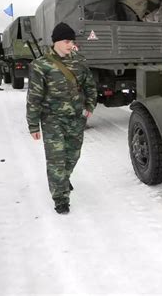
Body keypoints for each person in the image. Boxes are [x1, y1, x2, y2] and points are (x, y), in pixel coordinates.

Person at [26, 22, 97, 214]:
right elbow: (34, 97)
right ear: (56, 42)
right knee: (56, 160)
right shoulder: (41, 65)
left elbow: (90, 86)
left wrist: (90, 106)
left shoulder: (79, 62)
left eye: (71, 41)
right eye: (66, 41)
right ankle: (60, 198)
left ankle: (64, 178)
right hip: (52, 120)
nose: (70, 44)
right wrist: (33, 125)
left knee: (73, 155)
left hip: (75, 118)